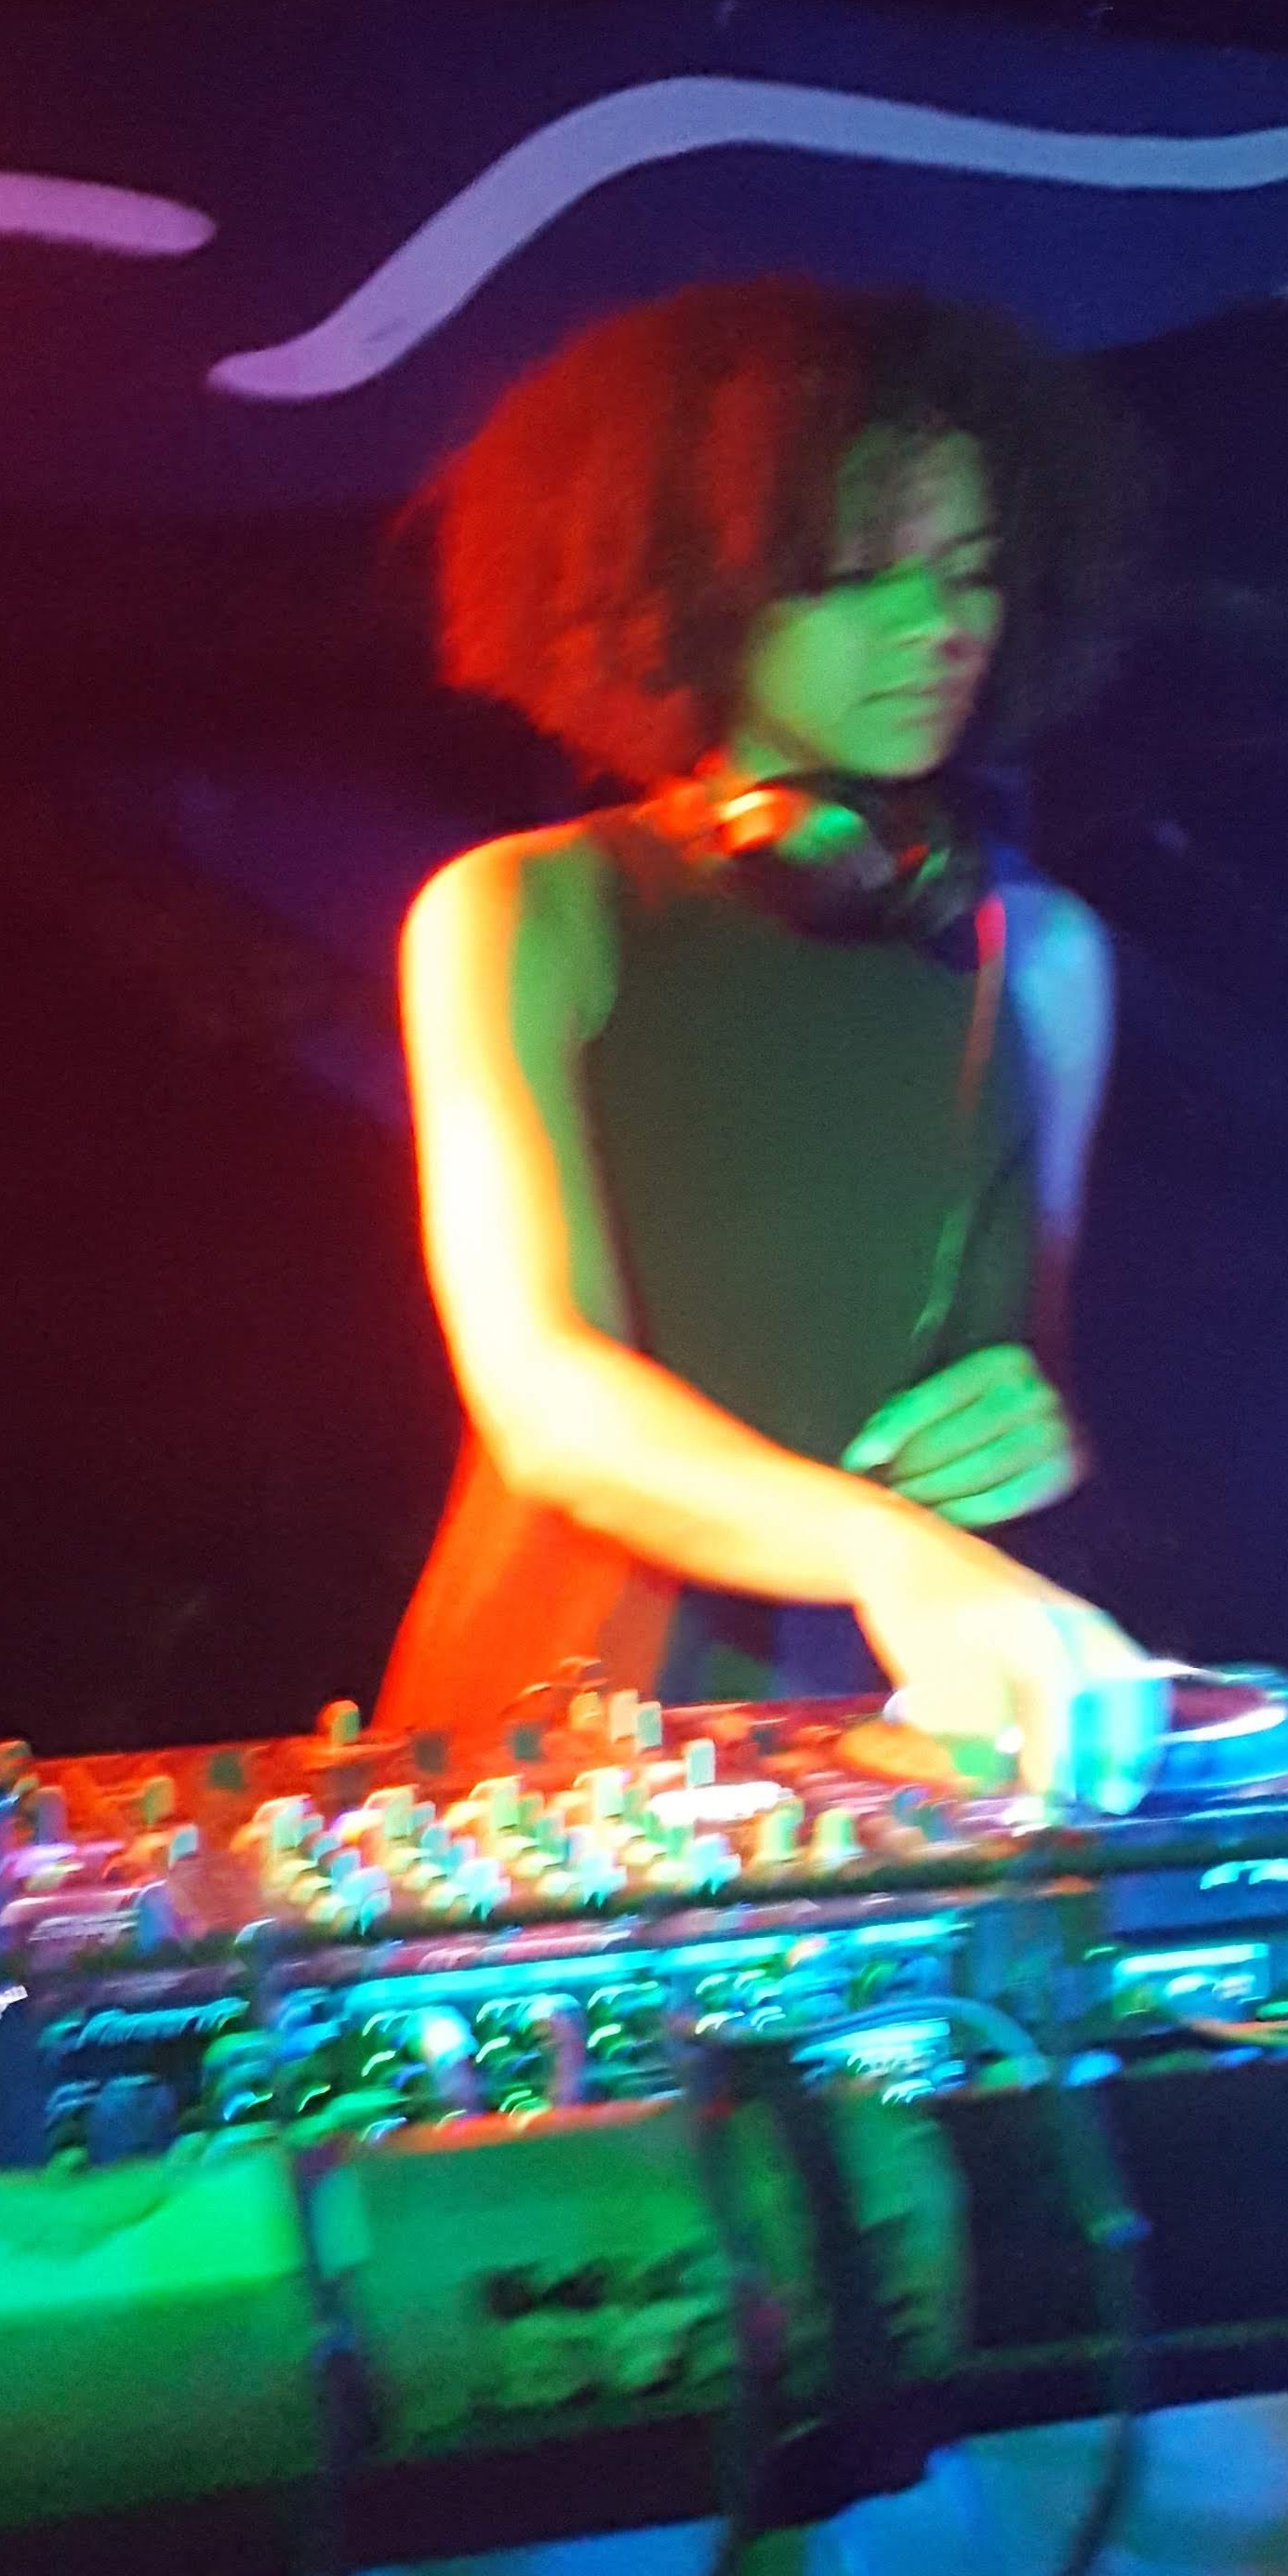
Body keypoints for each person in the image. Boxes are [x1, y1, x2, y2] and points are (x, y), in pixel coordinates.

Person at [377, 274, 1167, 1807]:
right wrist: (882, 1545)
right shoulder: (524, 913)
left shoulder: (1045, 954)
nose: (938, 628)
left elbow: (1025, 1354)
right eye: (859, 577)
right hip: (570, 1713)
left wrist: (1036, 1421)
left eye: (973, 574)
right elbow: (542, 1388)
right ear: (697, 588)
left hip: (925, 1708)